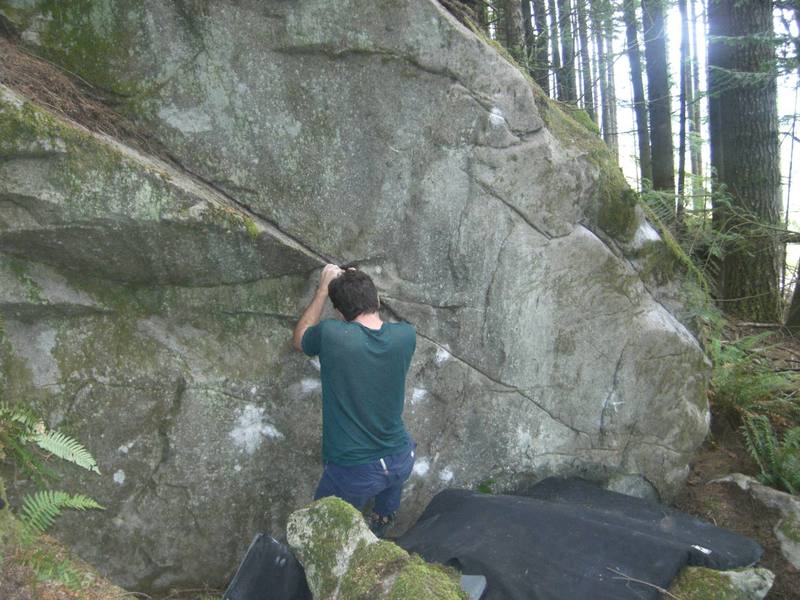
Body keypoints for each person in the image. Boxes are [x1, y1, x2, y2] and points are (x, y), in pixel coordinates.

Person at [292, 264, 417, 537]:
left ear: (339, 314)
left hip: (356, 469)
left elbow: (300, 338)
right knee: (387, 495)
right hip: (401, 457)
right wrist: (357, 284)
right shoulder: (406, 336)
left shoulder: (332, 335)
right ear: (378, 300)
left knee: (320, 535)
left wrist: (324, 289)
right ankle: (381, 522)